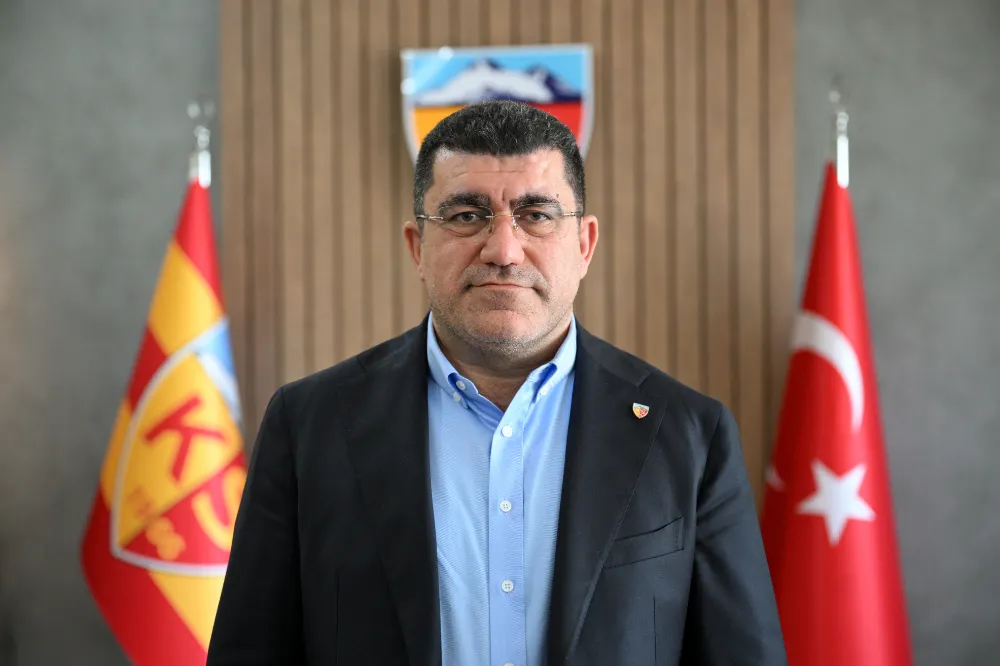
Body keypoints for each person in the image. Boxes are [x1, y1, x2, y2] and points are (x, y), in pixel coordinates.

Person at [206, 100, 787, 666]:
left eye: (536, 215)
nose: (503, 251)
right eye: (466, 215)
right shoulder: (309, 427)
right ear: (417, 247)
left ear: (584, 244)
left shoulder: (688, 434)